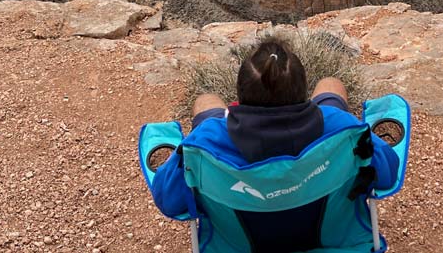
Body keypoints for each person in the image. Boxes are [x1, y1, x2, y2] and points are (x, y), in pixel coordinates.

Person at [149, 39, 400, 252]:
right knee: (331, 85)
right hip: (334, 242)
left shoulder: (202, 145)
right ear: (303, 94)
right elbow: (387, 176)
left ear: (238, 98)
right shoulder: (345, 130)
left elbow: (169, 201)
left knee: (205, 101)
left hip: (238, 242)